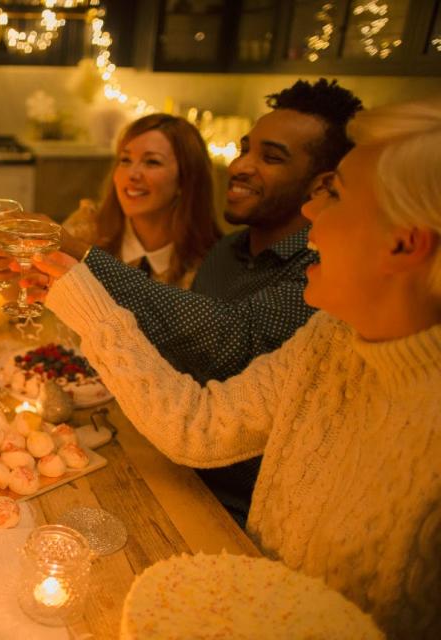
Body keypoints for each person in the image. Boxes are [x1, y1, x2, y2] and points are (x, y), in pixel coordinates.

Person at [32, 97, 441, 639]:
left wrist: (88, 281)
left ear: (404, 243)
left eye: (335, 194)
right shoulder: (330, 338)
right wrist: (86, 302)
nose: (312, 212)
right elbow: (197, 427)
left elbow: (231, 338)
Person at [54, 79, 363, 524]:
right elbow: (177, 366)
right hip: (164, 459)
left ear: (321, 186)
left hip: (233, 510)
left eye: (271, 157)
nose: (240, 166)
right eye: (245, 149)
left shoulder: (317, 274)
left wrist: (80, 260)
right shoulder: (226, 253)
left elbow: (231, 336)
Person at [62, 113, 221, 288]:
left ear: (185, 179)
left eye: (152, 162)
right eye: (125, 160)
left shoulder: (211, 263)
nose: (132, 174)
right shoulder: (86, 229)